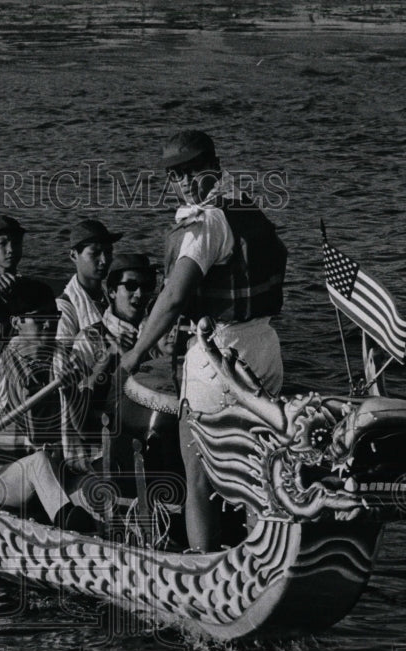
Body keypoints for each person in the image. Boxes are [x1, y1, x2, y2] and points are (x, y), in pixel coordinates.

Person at [119, 130, 287, 552]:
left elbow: (175, 297)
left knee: (198, 476)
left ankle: (203, 563)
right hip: (265, 350)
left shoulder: (206, 223)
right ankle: (261, 551)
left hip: (220, 359)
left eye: (190, 171)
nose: (184, 182)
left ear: (213, 165)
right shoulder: (247, 207)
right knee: (255, 467)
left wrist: (135, 353)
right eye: (176, 175)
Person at [0, 278, 94, 532]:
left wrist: (69, 391)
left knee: (94, 490)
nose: (49, 324)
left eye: (53, 316)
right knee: (39, 461)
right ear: (17, 322)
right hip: (4, 479)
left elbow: (78, 430)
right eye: (39, 317)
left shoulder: (65, 363)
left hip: (58, 470)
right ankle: (71, 530)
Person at [61, 253, 157, 476]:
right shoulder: (89, 340)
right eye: (131, 286)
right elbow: (79, 406)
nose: (140, 294)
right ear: (112, 291)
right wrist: (109, 359)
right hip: (99, 448)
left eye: (147, 286)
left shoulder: (158, 337)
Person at [55, 219, 118, 342]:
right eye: (95, 253)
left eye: (108, 252)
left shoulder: (112, 294)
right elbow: (62, 359)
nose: (104, 261)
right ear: (74, 255)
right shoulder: (65, 308)